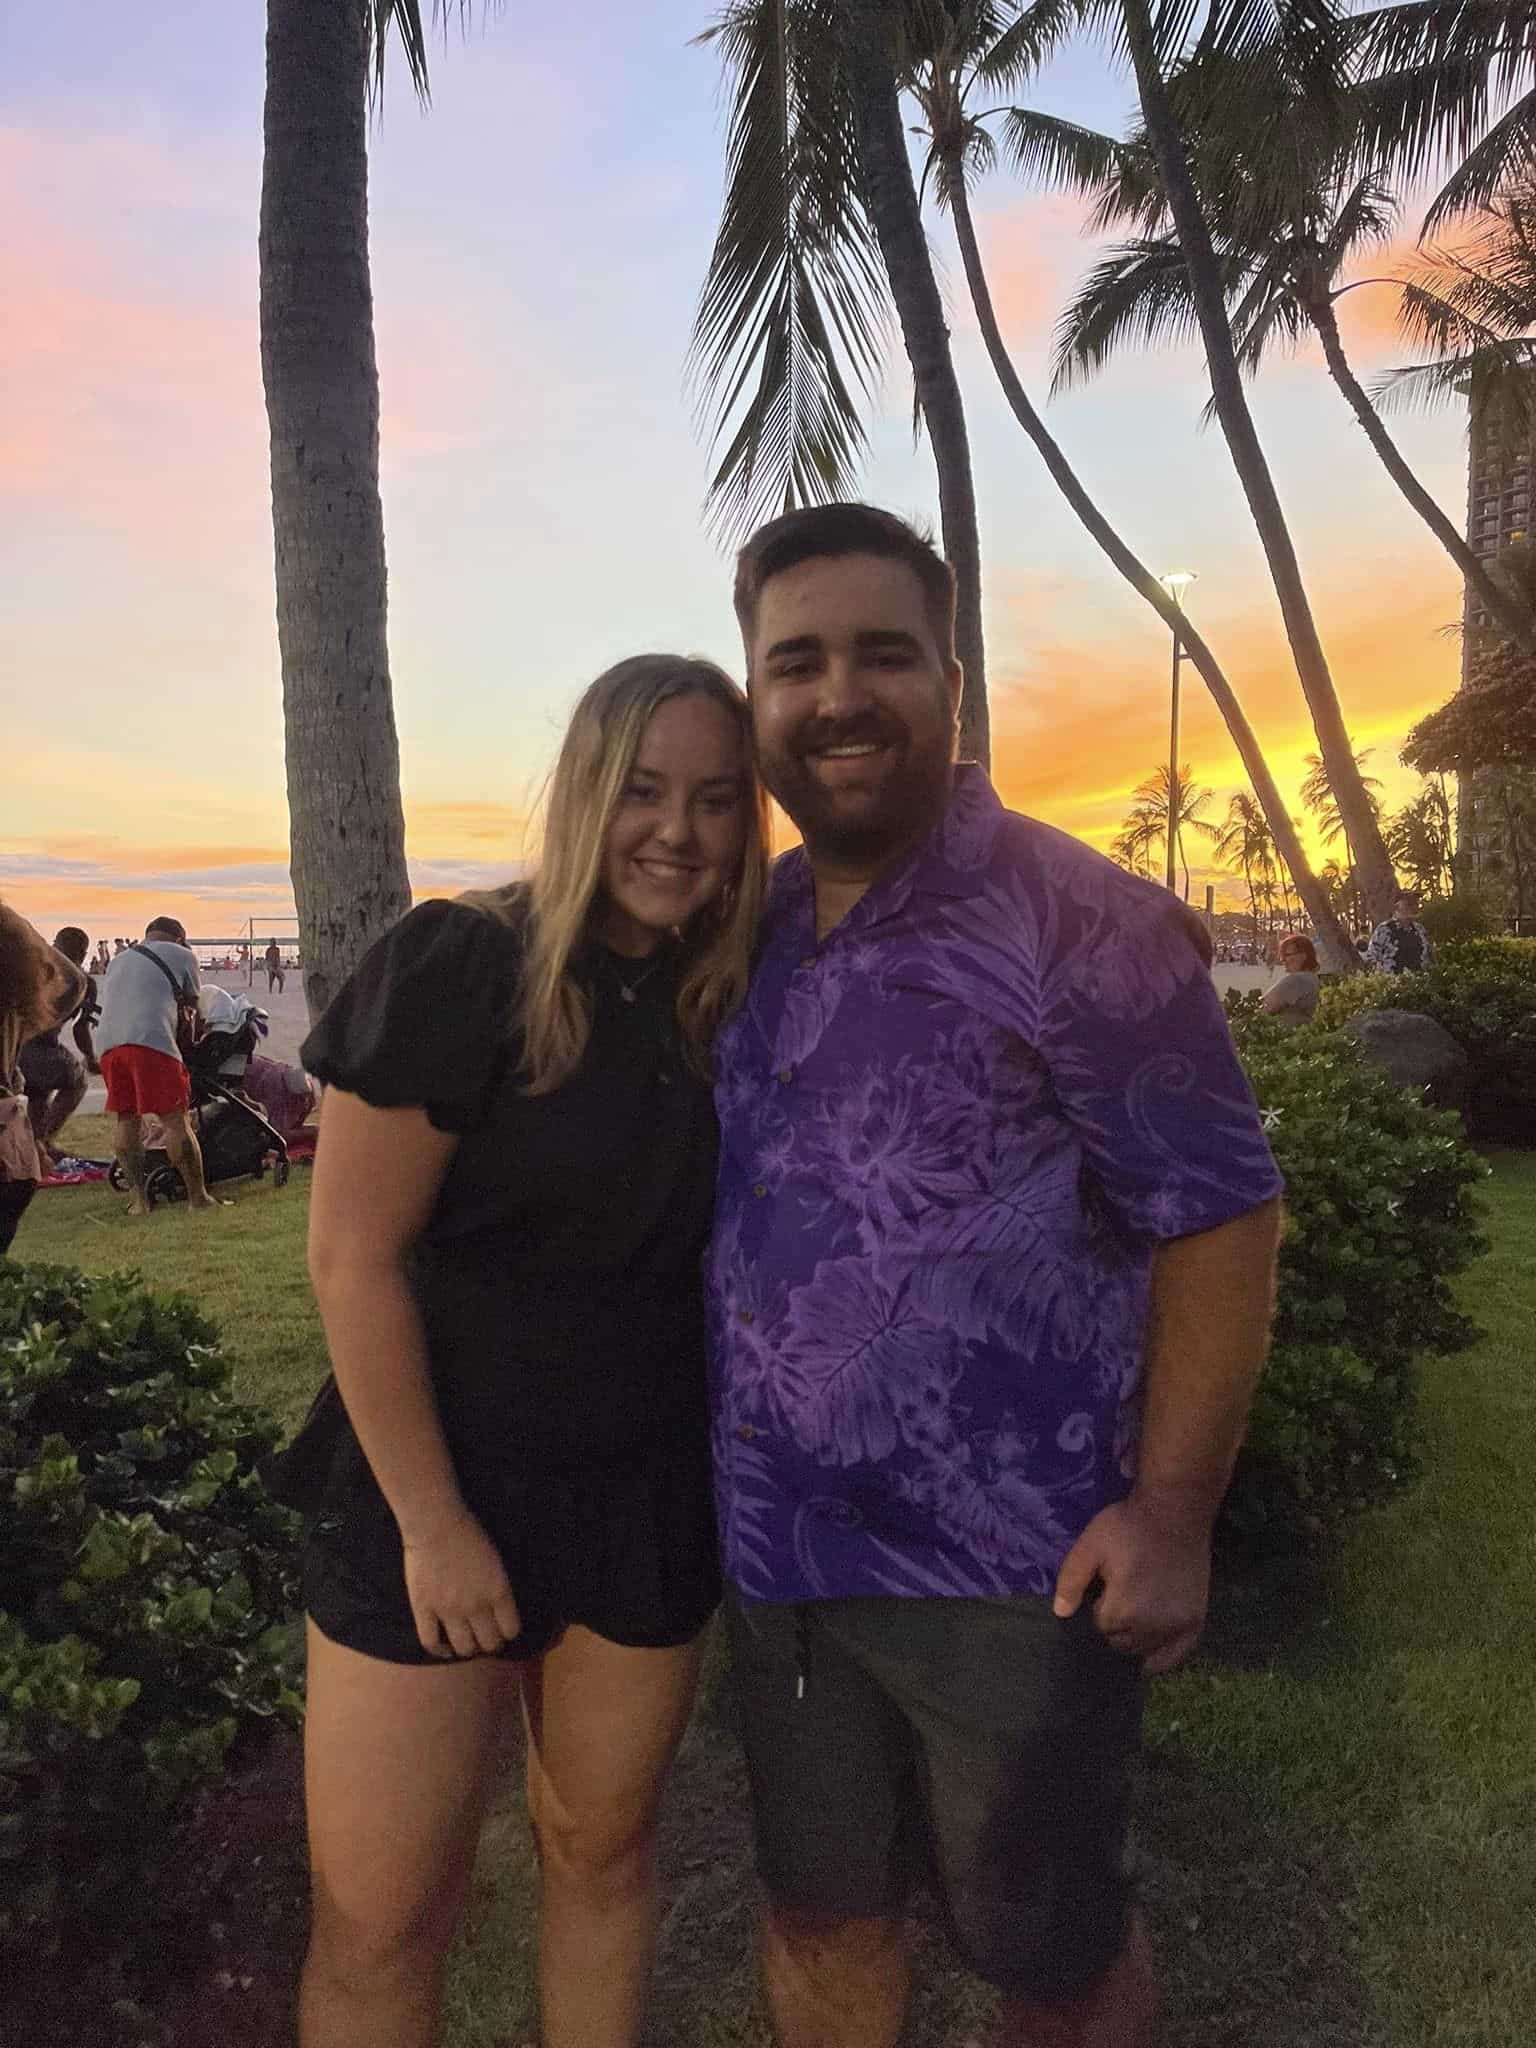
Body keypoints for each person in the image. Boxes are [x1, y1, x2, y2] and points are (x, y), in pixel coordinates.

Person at [710, 505, 1284, 2048]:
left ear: (951, 677)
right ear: (755, 693)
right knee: (819, 1914)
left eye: (884, 653)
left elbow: (1221, 1216)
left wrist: (1173, 1512)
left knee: (1051, 1954)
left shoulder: (1081, 921)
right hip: (779, 1559)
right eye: (797, 661)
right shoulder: (741, 930)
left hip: (1014, 1572)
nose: (839, 695)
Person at [274, 655, 768, 2048]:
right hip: (439, 1481)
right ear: (586, 792)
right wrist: (435, 1526)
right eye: (645, 791)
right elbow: (352, 1258)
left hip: (642, 1488)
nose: (676, 830)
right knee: (380, 1922)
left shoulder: (726, 999)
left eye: (717, 801)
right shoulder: (466, 964)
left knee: (600, 1858)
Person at [96, 916, 221, 1215]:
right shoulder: (183, 955)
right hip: (151, 1041)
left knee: (127, 1120)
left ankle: (140, 1202)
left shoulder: (119, 960)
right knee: (175, 1121)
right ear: (180, 937)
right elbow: (192, 1004)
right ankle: (198, 1199)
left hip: (110, 1045)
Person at [1, 903, 88, 1253]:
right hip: (10, 1139)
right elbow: (75, 981)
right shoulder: (19, 1006)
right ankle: (44, 1136)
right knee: (73, 1079)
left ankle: (43, 1136)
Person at [18, 925, 100, 1163]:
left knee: (39, 1093)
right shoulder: (82, 981)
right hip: (39, 1044)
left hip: (14, 1044)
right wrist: (91, 1058)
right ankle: (42, 1142)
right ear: (83, 954)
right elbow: (81, 1028)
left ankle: (34, 1147)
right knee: (77, 1080)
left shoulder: (29, 967)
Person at [1261, 932, 1321, 1030]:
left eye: (1287, 955)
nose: (1283, 960)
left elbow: (1266, 1007)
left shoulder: (1297, 980)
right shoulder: (1313, 978)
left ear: (1303, 955)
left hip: (1284, 1036)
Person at [1366, 892, 1434, 975]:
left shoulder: (1420, 929)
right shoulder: (1384, 929)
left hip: (1420, 983)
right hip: (1394, 984)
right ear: (1396, 907)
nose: (1414, 907)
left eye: (1416, 903)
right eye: (1408, 904)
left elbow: (1429, 955)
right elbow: (1371, 957)